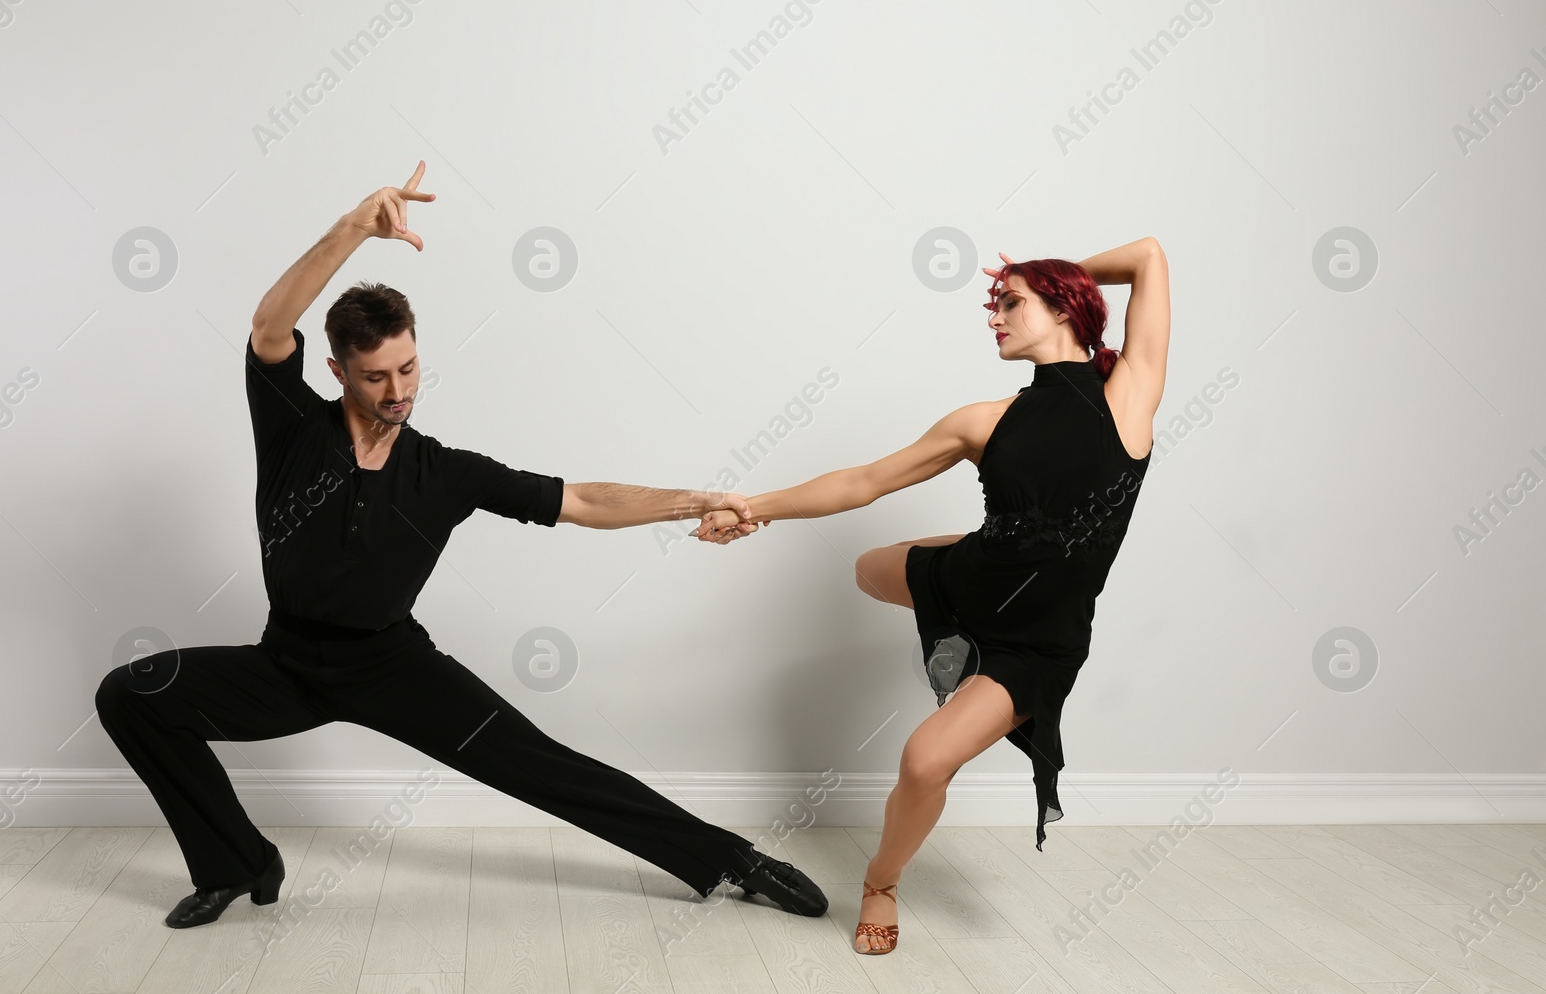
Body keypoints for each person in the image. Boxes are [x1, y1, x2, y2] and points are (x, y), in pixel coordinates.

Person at [94, 161, 828, 929]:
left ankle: (731, 858)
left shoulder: (444, 472)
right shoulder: (291, 430)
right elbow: (269, 327)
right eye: (375, 376)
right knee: (131, 695)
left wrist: (696, 499)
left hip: (392, 666)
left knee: (546, 767)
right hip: (284, 662)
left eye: (408, 366)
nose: (397, 390)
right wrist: (353, 227)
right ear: (339, 370)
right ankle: (239, 862)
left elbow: (580, 499)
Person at [692, 238, 1170, 953]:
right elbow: (864, 482)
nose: (994, 318)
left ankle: (881, 882)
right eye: (995, 305)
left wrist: (1050, 266)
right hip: (969, 577)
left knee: (923, 760)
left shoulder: (1128, 395)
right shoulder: (981, 420)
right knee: (863, 568)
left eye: (1010, 303)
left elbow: (1148, 257)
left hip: (1035, 643)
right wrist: (753, 504)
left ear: (1064, 305)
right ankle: (990, 566)